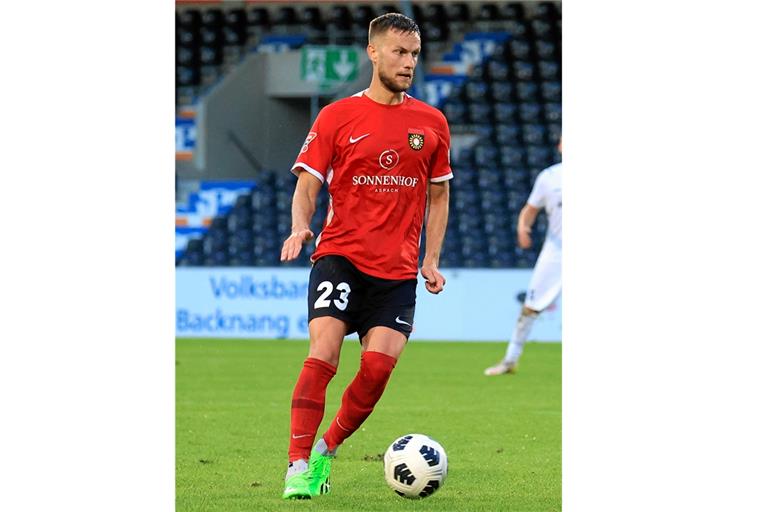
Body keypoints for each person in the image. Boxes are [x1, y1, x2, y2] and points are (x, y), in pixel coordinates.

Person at [279, 13, 452, 499]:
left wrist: (430, 259)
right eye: (399, 52)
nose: (409, 62)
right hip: (341, 256)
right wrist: (300, 226)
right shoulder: (336, 116)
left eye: (415, 53)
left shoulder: (432, 122)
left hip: (396, 271)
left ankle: (325, 452)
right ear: (373, 52)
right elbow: (308, 184)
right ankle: (297, 464)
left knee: (376, 371)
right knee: (324, 352)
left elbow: (439, 197)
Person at [484, 140, 562, 376]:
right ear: (559, 146)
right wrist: (522, 228)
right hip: (557, 251)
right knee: (530, 307)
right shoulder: (549, 177)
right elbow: (530, 210)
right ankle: (510, 361)